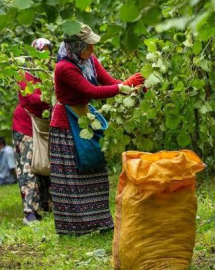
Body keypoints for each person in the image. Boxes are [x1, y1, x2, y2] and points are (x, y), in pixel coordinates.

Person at [49, 23, 145, 235]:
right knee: (73, 174)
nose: (92, 50)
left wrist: (132, 87)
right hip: (67, 123)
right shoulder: (64, 67)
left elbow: (109, 82)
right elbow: (91, 90)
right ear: (75, 45)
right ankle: (75, 228)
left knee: (94, 167)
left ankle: (99, 221)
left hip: (85, 118)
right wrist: (122, 87)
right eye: (88, 45)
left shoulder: (89, 61)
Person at [12, 38, 53, 225]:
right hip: (25, 126)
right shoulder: (24, 75)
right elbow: (30, 99)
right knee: (28, 167)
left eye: (47, 52)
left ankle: (47, 206)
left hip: (45, 127)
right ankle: (29, 212)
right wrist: (51, 96)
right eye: (40, 52)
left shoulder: (49, 74)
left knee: (45, 165)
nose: (43, 56)